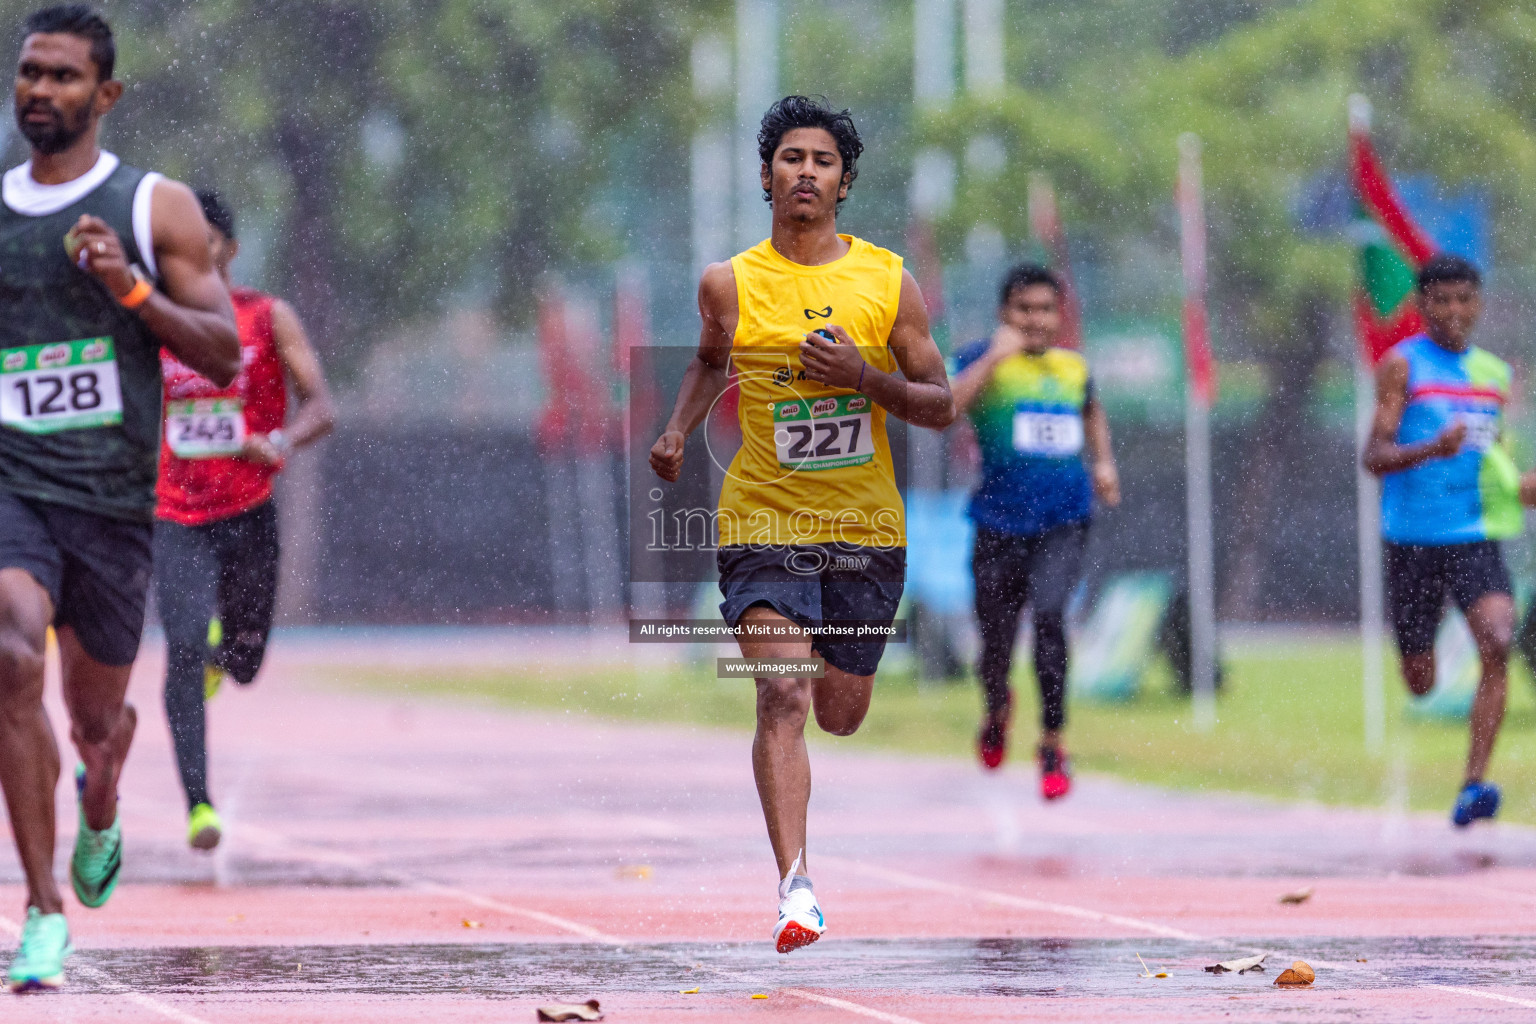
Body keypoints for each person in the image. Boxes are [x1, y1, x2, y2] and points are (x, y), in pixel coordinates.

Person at [649, 96, 954, 953]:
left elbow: (942, 405)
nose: (806, 173)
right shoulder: (729, 283)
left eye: (823, 161)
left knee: (840, 712)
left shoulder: (888, 282)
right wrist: (678, 428)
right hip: (762, 521)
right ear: (766, 176)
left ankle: (833, 674)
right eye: (791, 158)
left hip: (864, 532)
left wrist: (866, 377)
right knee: (781, 691)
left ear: (844, 183)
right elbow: (712, 360)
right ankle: (796, 887)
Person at [0, 5, 239, 993]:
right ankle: (43, 910)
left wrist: (130, 291)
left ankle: (103, 795)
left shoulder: (155, 209)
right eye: (27, 73)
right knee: (10, 652)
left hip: (110, 505)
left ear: (106, 95)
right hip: (13, 484)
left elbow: (224, 352)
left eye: (61, 76)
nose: (39, 91)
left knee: (94, 722)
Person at [155, 189, 334, 852]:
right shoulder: (159, 323)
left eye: (196, 238)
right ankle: (198, 805)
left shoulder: (267, 316)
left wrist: (281, 442)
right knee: (177, 649)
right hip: (175, 512)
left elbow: (322, 405)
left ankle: (217, 655)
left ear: (227, 248)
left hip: (250, 511)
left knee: (247, 662)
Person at [1364, 253, 1536, 828]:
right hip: (1412, 539)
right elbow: (1374, 455)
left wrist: (1525, 487)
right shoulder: (1402, 366)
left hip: (1475, 534)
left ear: (1479, 303)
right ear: (1422, 306)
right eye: (1441, 300)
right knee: (1422, 682)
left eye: (1465, 299)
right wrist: (1430, 449)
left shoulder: (1495, 375)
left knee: (1497, 638)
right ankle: (1416, 656)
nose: (1454, 311)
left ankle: (1474, 785)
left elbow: (1499, 462)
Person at [948, 265, 1119, 799]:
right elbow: (948, 406)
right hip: (998, 524)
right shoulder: (980, 360)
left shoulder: (1073, 368)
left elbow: (1092, 412)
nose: (1035, 320)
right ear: (1005, 313)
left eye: (1045, 310)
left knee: (1050, 619)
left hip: (1063, 521)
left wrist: (1105, 463)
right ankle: (997, 707)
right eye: (1024, 310)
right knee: (994, 646)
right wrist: (996, 357)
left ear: (1059, 315)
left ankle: (1052, 743)